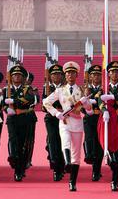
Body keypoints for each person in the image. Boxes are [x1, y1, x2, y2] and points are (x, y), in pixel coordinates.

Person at [42, 60, 93, 192]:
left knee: (76, 153)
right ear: (65, 75)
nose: (70, 75)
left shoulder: (81, 90)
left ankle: (72, 181)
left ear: (77, 75)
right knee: (65, 142)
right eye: (68, 73)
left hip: (77, 123)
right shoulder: (60, 90)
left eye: (73, 73)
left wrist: (86, 103)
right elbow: (46, 102)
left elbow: (89, 111)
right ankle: (67, 163)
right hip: (64, 122)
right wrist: (56, 113)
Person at [4, 64, 37, 182]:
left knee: (23, 144)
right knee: (13, 139)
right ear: (11, 77)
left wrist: (14, 101)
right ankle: (13, 157)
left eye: (19, 75)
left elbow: (29, 100)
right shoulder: (6, 89)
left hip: (25, 118)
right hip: (12, 119)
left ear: (23, 78)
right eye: (14, 75)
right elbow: (1, 103)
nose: (17, 77)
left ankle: (20, 169)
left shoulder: (28, 89)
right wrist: (6, 108)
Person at [100, 60, 118, 191]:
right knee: (109, 149)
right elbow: (99, 99)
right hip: (107, 121)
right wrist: (104, 109)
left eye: (117, 72)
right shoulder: (104, 87)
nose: (115, 74)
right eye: (112, 72)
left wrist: (112, 97)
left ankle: (115, 180)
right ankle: (113, 165)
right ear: (108, 74)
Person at [43, 63, 66, 181]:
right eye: (53, 74)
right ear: (50, 76)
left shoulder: (66, 87)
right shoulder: (46, 87)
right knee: (53, 141)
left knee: (63, 141)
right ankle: (56, 167)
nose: (56, 76)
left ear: (62, 76)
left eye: (58, 74)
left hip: (65, 117)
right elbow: (44, 106)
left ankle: (63, 164)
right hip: (51, 118)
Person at [83, 64, 104, 181]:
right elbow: (79, 103)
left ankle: (96, 171)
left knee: (99, 144)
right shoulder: (84, 89)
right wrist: (86, 110)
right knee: (89, 138)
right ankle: (88, 155)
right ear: (90, 76)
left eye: (98, 75)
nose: (96, 76)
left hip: (100, 118)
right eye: (94, 74)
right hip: (89, 118)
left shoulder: (105, 89)